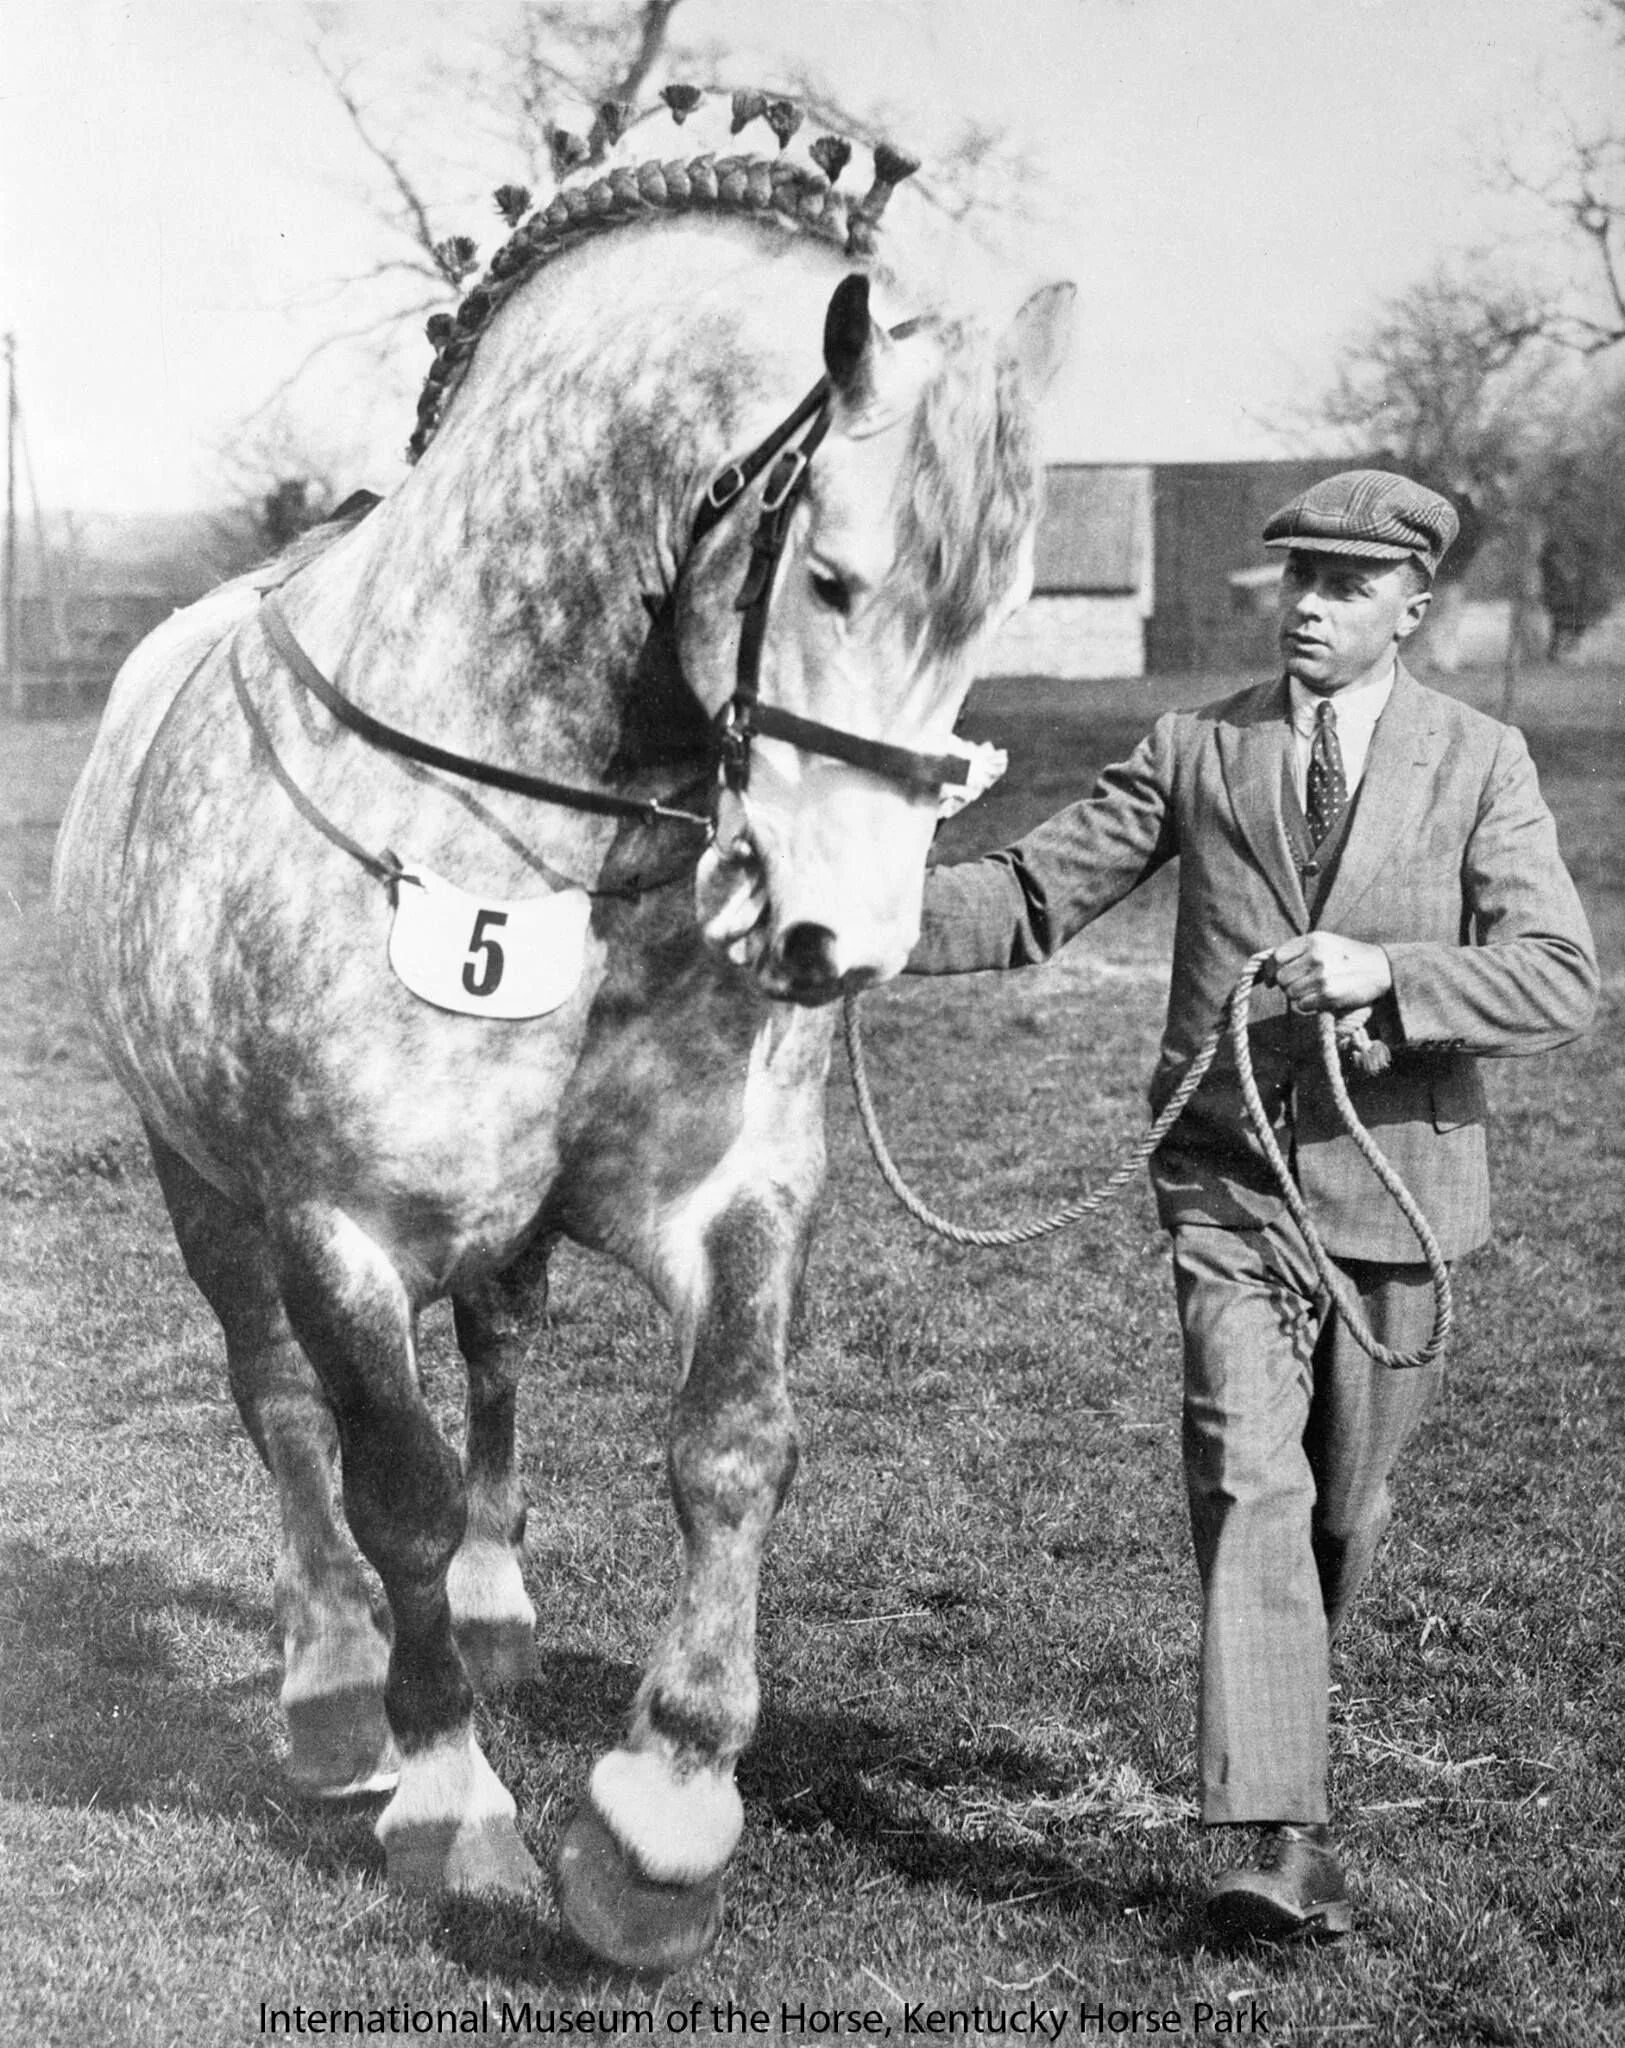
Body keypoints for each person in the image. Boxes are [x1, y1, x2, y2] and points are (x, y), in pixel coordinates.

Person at [907, 470, 1598, 1941]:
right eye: (1294, 578)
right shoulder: (1195, 745)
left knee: (1335, 1517)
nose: (1306, 604)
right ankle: (1272, 1837)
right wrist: (852, 909)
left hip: (1398, 1195)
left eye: (1344, 586)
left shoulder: (1479, 762)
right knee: (1247, 1481)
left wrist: (1395, 979)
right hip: (1224, 1187)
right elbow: (1031, 892)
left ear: (1411, 609)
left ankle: (1280, 1705)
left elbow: (1556, 974)